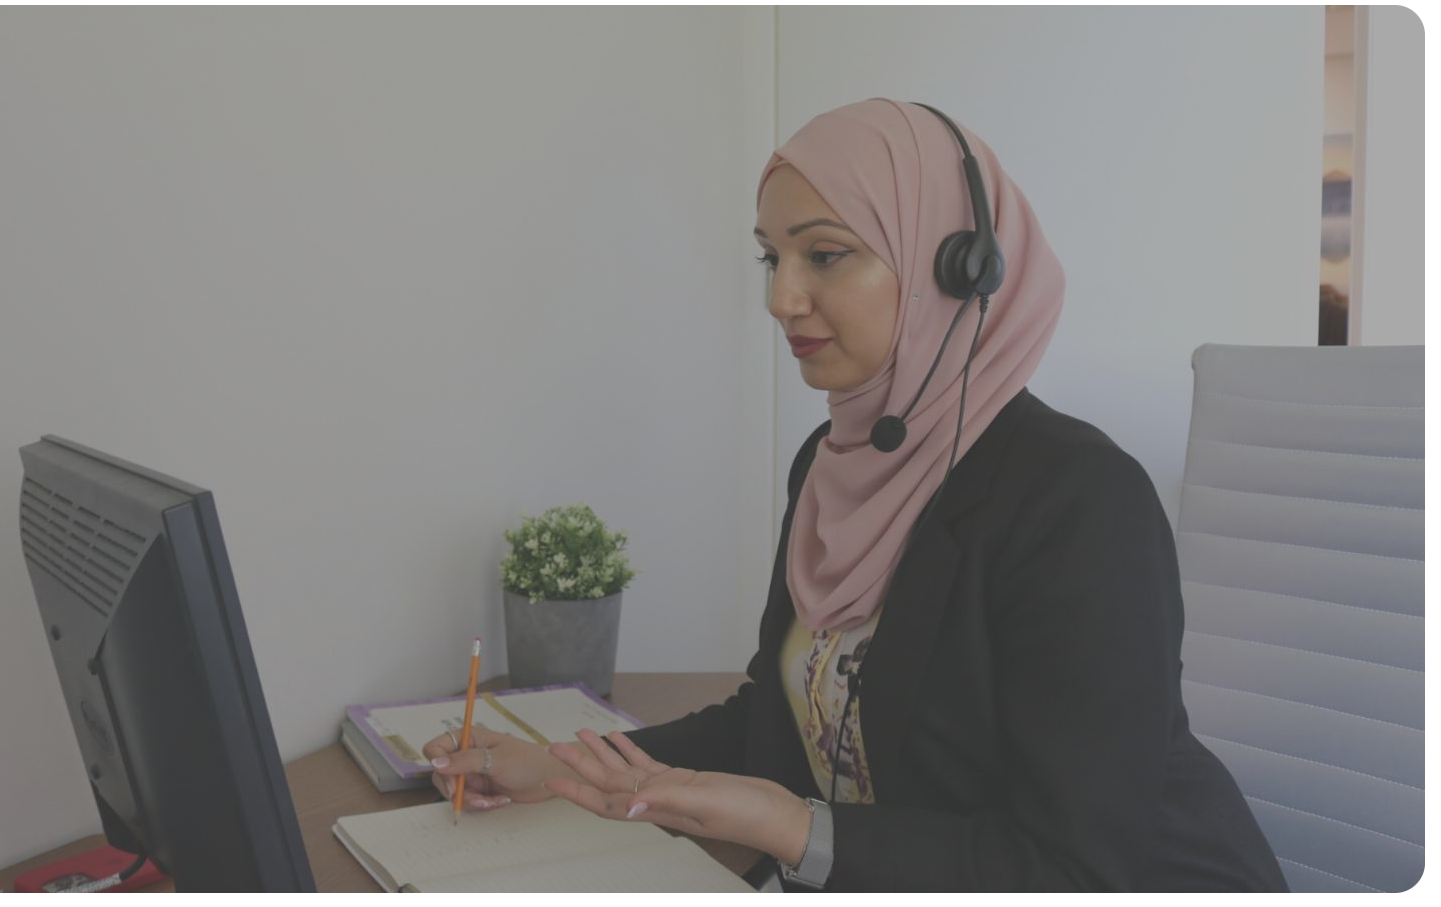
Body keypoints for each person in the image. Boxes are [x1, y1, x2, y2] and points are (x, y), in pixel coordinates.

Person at [421, 98, 1289, 891]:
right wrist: (559, 767)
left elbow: (1076, 867)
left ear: (960, 267)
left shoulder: (1080, 500)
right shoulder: (833, 462)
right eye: (771, 257)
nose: (779, 297)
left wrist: (795, 828)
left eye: (825, 254)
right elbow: (782, 715)